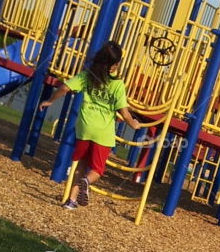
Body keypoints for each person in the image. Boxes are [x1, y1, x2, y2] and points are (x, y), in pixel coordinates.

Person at [39, 41, 143, 211]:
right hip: (103, 133)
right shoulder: (117, 84)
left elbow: (64, 88)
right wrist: (134, 124)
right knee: (96, 169)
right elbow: (124, 113)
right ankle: (87, 182)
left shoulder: (86, 76)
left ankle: (71, 201)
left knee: (80, 165)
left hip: (84, 128)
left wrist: (50, 101)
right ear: (115, 65)